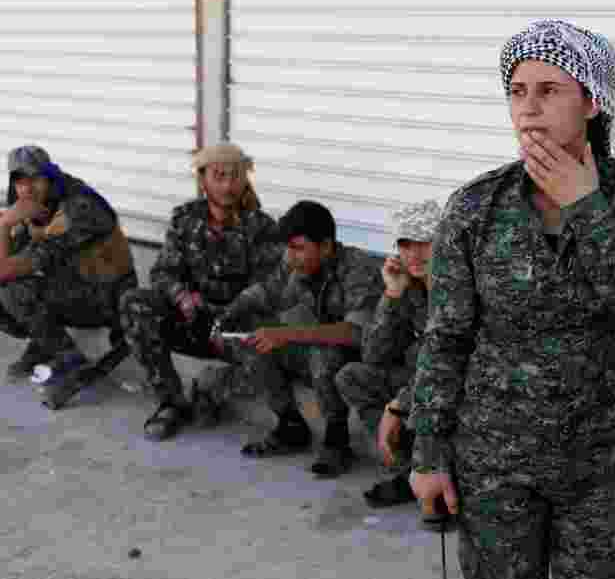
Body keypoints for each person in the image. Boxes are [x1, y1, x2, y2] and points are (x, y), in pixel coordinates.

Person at [409, 20, 615, 579]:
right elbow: (446, 336)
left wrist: (587, 208)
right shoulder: (476, 206)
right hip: (493, 460)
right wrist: (428, 455)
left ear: (592, 101)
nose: (528, 107)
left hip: (596, 463)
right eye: (517, 91)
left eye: (549, 90)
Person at [118, 143, 280, 441]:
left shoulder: (261, 227)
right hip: (190, 318)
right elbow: (162, 273)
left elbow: (267, 289)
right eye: (219, 176)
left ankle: (211, 390)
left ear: (246, 179)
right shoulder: (185, 219)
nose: (228, 185)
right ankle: (171, 402)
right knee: (134, 303)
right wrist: (181, 295)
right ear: (203, 178)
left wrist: (229, 318)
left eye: (235, 176)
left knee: (273, 352)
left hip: (234, 328)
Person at [221, 199, 383, 477]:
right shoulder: (295, 262)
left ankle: (337, 441)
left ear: (326, 246)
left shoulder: (359, 268)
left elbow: (356, 333)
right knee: (257, 342)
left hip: (358, 361)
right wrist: (230, 312)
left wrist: (287, 334)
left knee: (322, 351)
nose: (291, 256)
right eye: (288, 247)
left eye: (299, 248)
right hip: (317, 351)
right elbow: (267, 291)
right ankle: (290, 426)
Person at [0, 145, 137, 392]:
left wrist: (4, 224)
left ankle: (69, 357)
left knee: (14, 289)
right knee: (15, 281)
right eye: (20, 181)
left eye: (35, 178)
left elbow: (6, 271)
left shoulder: (77, 208)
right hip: (77, 282)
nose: (27, 188)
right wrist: (8, 224)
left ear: (50, 177)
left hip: (112, 297)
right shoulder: (34, 202)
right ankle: (44, 342)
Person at [336, 198, 441, 507]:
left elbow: (452, 366)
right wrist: (393, 293)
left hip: (458, 386)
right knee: (353, 377)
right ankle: (410, 474)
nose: (414, 254)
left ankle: (446, 483)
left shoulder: (462, 287)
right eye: (405, 244)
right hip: (420, 384)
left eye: (423, 242)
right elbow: (374, 356)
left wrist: (398, 404)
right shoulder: (411, 288)